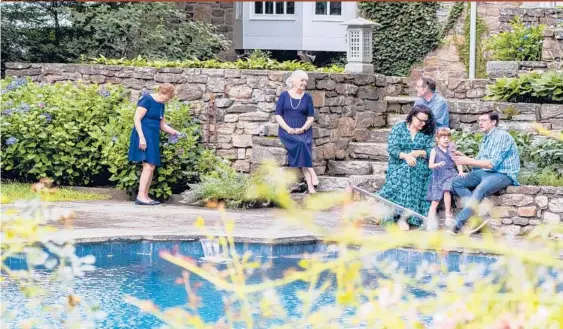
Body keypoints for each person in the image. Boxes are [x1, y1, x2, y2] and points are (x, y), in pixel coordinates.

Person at [449, 112, 520, 234]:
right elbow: (478, 162)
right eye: (479, 120)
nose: (480, 123)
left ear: (493, 122)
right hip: (485, 172)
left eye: (484, 120)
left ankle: (457, 225)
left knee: (480, 189)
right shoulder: (486, 138)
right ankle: (477, 216)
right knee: (456, 183)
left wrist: (468, 160)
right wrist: (463, 156)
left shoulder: (502, 136)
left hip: (502, 174)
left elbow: (492, 164)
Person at [377, 104, 436, 230]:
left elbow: (431, 151)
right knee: (406, 170)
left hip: (420, 164)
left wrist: (418, 153)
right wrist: (406, 156)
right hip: (398, 163)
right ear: (412, 116)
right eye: (420, 120)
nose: (423, 124)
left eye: (426, 121)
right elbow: (392, 149)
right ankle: (402, 217)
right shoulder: (398, 128)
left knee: (409, 169)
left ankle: (396, 212)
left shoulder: (427, 132)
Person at [128, 83, 181, 205]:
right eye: (167, 98)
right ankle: (141, 196)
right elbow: (136, 118)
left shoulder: (161, 105)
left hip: (153, 137)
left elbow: (162, 125)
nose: (167, 101)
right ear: (161, 93)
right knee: (148, 165)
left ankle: (145, 196)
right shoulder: (147, 99)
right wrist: (141, 138)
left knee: (151, 166)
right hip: (143, 135)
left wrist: (175, 132)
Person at [275, 70, 319, 194]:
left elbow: (311, 118)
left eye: (306, 81)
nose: (304, 83)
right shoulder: (284, 95)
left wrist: (303, 128)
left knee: (303, 143)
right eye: (302, 80)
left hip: (303, 129)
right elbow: (278, 115)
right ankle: (312, 174)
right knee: (301, 144)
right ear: (294, 81)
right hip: (287, 130)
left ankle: (310, 187)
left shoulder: (307, 97)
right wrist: (287, 128)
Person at [426, 128, 465, 229]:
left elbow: (458, 161)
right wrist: (438, 164)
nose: (446, 139)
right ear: (437, 139)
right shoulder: (434, 150)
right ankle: (430, 221)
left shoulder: (451, 149)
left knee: (446, 190)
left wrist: (460, 171)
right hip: (438, 176)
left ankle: (448, 215)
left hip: (450, 174)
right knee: (435, 200)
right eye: (443, 137)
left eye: (448, 137)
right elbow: (430, 165)